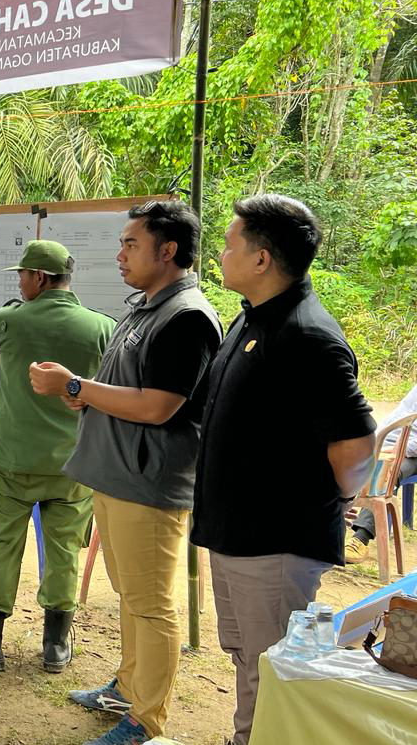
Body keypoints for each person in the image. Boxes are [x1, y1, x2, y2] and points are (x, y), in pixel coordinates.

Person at [30, 200, 221, 745]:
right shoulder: (148, 307)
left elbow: (160, 405)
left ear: (168, 250)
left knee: (152, 605)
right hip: (117, 475)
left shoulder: (186, 317)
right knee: (132, 596)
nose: (119, 255)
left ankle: (146, 721)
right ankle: (128, 686)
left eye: (130, 244)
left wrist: (74, 386)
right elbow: (128, 389)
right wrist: (86, 399)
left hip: (149, 483)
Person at [192, 195, 376, 745]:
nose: (221, 255)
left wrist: (326, 501)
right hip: (233, 533)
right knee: (248, 657)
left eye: (229, 244)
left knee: (270, 664)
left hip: (272, 542)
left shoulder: (307, 337)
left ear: (262, 259)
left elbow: (356, 445)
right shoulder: (251, 320)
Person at [0, 241, 114, 674]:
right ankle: (56, 646)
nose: (19, 281)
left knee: (2, 546)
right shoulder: (101, 327)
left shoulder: (9, 321)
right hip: (72, 465)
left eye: (23, 274)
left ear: (41, 278)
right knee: (65, 550)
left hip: (15, 461)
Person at [347, 379, 417, 563]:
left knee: (386, 472)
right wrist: (384, 448)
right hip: (398, 443)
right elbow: (400, 420)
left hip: (407, 449)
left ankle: (360, 538)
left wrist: (394, 453)